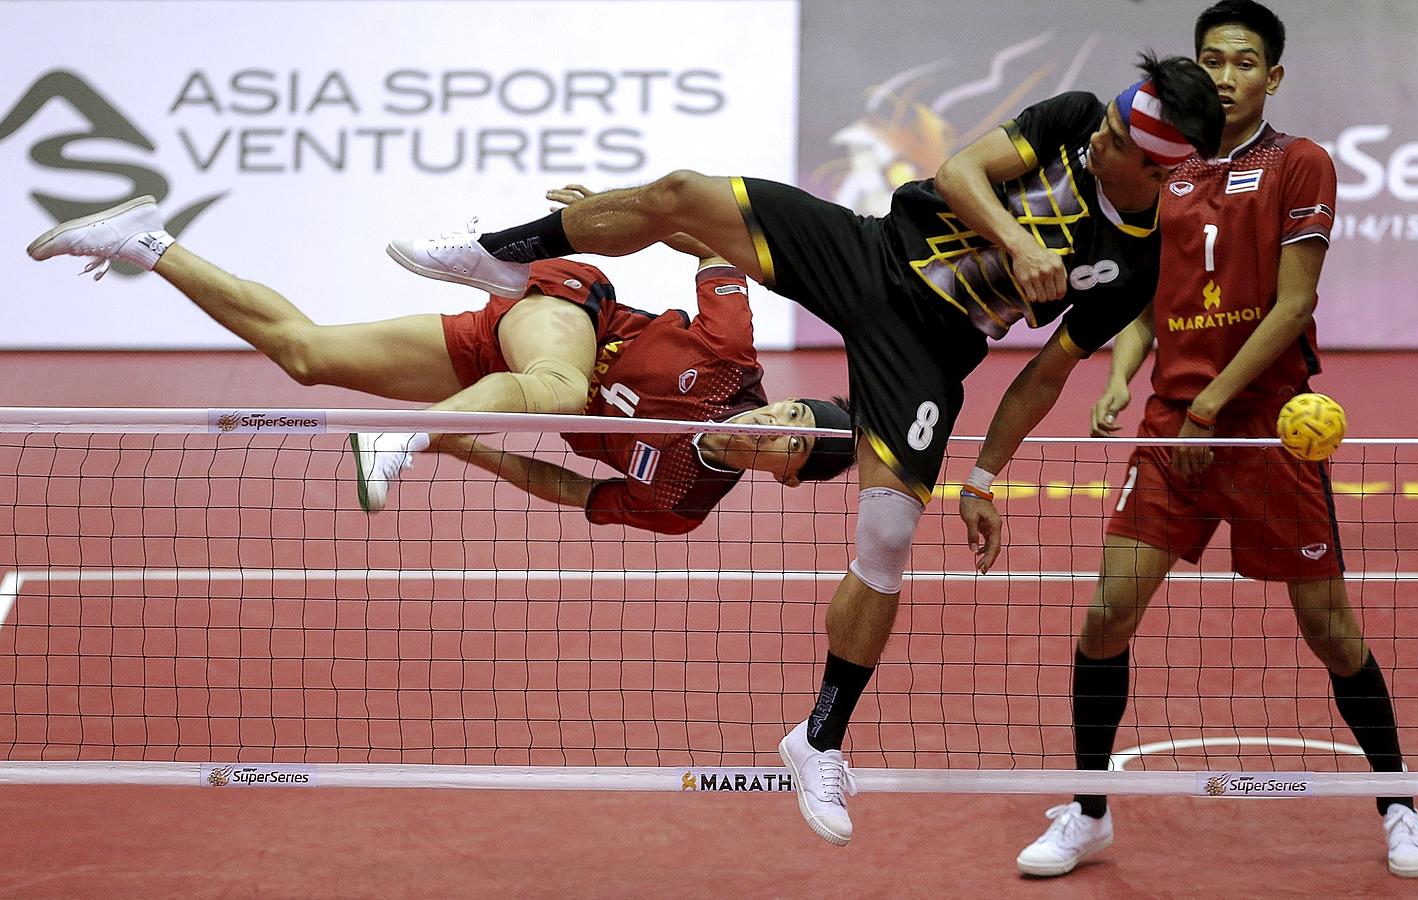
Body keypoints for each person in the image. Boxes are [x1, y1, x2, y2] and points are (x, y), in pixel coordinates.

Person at [384, 56, 1224, 845]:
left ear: (1160, 172)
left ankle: (818, 739)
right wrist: (1019, 243)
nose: (1100, 141)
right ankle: (500, 255)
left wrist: (984, 475)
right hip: (870, 254)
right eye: (1109, 126)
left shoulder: (1134, 262)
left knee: (889, 540)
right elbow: (963, 171)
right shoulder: (1074, 117)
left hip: (928, 356)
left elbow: (1044, 376)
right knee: (680, 192)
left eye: (1118, 146)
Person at [1013, 1, 1418, 880]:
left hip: (1261, 429)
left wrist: (1210, 405)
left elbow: (1293, 305)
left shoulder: (1300, 162)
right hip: (1173, 428)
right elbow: (1148, 296)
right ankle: (1087, 809)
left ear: (1271, 76)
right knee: (1104, 617)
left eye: (1243, 60)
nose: (1224, 74)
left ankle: (1398, 803)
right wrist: (1124, 374)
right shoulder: (1166, 168)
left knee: (1331, 631)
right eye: (1210, 58)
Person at [24, 188, 855, 535]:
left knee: (303, 356)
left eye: (786, 443)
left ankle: (144, 240)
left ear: (782, 476)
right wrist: (603, 212)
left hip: (496, 374)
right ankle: (494, 286)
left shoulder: (680, 500)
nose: (773, 423)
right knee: (560, 385)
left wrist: (472, 446)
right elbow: (712, 240)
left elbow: (573, 489)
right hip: (570, 309)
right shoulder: (727, 354)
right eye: (788, 415)